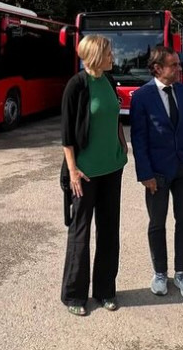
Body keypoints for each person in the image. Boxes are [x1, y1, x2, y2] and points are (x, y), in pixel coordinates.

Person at [60, 35, 129, 316]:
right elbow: (66, 135)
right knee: (81, 232)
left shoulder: (109, 80)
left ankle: (105, 291)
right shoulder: (77, 85)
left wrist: (122, 142)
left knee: (109, 230)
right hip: (85, 173)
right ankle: (74, 295)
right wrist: (73, 171)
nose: (113, 56)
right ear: (96, 55)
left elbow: (114, 115)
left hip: (112, 167)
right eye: (109, 52)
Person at [130, 45, 183, 301]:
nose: (179, 69)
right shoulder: (142, 96)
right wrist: (145, 173)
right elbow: (138, 139)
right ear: (158, 68)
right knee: (157, 223)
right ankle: (160, 273)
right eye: (174, 65)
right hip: (156, 173)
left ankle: (182, 273)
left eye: (178, 65)